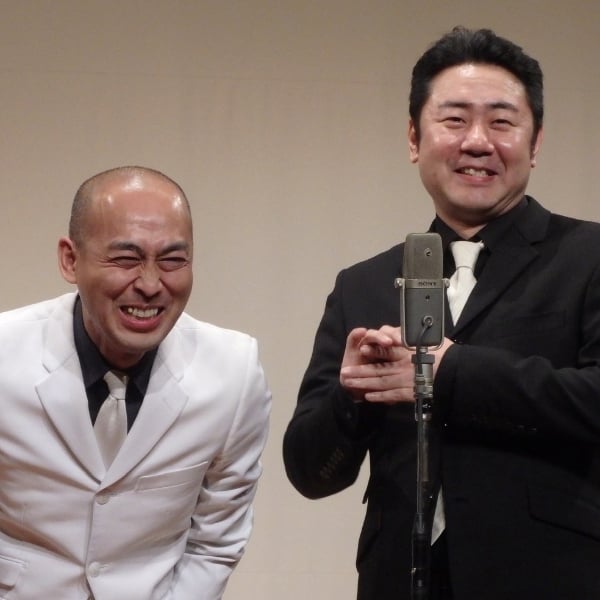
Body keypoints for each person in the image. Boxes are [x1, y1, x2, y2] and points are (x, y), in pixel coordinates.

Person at [283, 26, 600, 600]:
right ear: (414, 137)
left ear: (535, 143)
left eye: (501, 122)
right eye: (454, 120)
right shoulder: (362, 284)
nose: (477, 142)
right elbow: (310, 472)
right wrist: (351, 398)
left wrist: (450, 373)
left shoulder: (588, 256)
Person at [0, 166, 271, 599]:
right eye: (126, 259)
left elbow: (216, 543)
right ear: (70, 260)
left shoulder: (233, 372)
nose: (149, 284)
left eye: (172, 260)